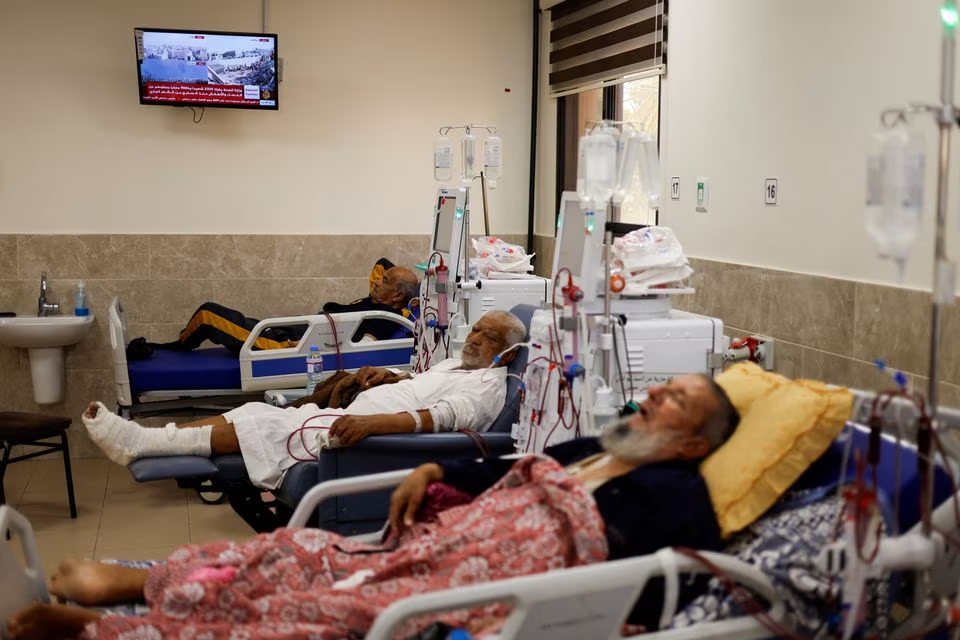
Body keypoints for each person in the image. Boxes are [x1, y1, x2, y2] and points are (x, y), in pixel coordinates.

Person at [4, 373, 739, 640]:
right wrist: (433, 470)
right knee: (306, 551)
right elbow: (506, 473)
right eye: (661, 386)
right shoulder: (596, 446)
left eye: (675, 399)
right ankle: (142, 585)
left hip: (504, 572)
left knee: (346, 608)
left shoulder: (682, 495)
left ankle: (114, 629)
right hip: (458, 534)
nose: (651, 397)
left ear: (692, 444)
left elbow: (668, 583)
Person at [86, 310, 528, 491]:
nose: (472, 338)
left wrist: (372, 425)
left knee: (262, 426)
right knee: (254, 410)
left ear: (506, 351)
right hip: (345, 416)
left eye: (486, 336)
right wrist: (393, 375)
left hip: (360, 439)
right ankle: (143, 437)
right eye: (475, 329)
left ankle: (139, 443)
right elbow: (422, 387)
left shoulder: (486, 387)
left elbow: (437, 418)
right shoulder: (458, 366)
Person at [138, 261, 419, 355]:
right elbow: (383, 263)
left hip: (291, 345)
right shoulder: (379, 300)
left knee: (209, 313)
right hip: (297, 330)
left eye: (383, 282)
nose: (375, 283)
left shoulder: (388, 316)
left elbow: (361, 349)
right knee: (221, 316)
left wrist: (306, 344)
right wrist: (416, 297)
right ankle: (171, 347)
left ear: (396, 295)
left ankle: (168, 349)